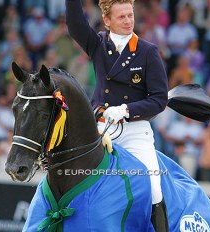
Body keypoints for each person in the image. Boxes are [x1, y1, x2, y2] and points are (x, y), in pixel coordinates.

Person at [65, 0, 169, 230]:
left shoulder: (147, 51)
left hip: (134, 131)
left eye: (130, 15)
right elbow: (74, 24)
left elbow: (160, 99)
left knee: (153, 186)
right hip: (101, 127)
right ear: (107, 20)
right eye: (121, 17)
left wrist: (126, 110)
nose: (128, 21)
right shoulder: (98, 44)